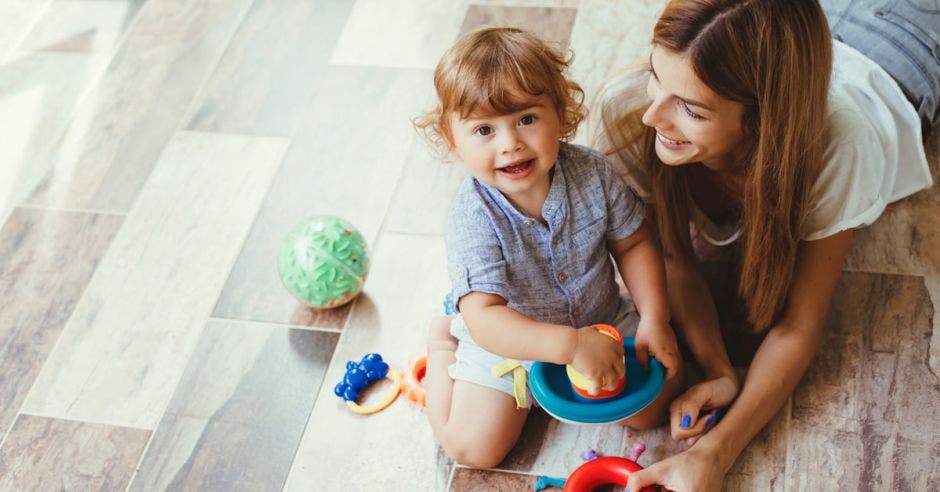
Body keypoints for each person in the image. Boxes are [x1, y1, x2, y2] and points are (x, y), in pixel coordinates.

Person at [594, 0, 938, 490]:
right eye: (656, 75)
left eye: (690, 110)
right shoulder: (628, 111)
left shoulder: (841, 145)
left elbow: (799, 323)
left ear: (760, 123)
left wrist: (715, 454)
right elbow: (670, 257)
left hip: (902, 45)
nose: (653, 117)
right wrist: (719, 369)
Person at [413, 27, 683, 468]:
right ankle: (443, 343)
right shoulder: (472, 218)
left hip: (602, 319)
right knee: (474, 449)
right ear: (452, 141)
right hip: (505, 343)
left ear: (561, 113)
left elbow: (634, 243)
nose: (510, 143)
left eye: (526, 119)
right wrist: (569, 347)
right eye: (484, 129)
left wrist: (654, 316)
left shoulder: (593, 173)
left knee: (655, 404)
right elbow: (486, 317)